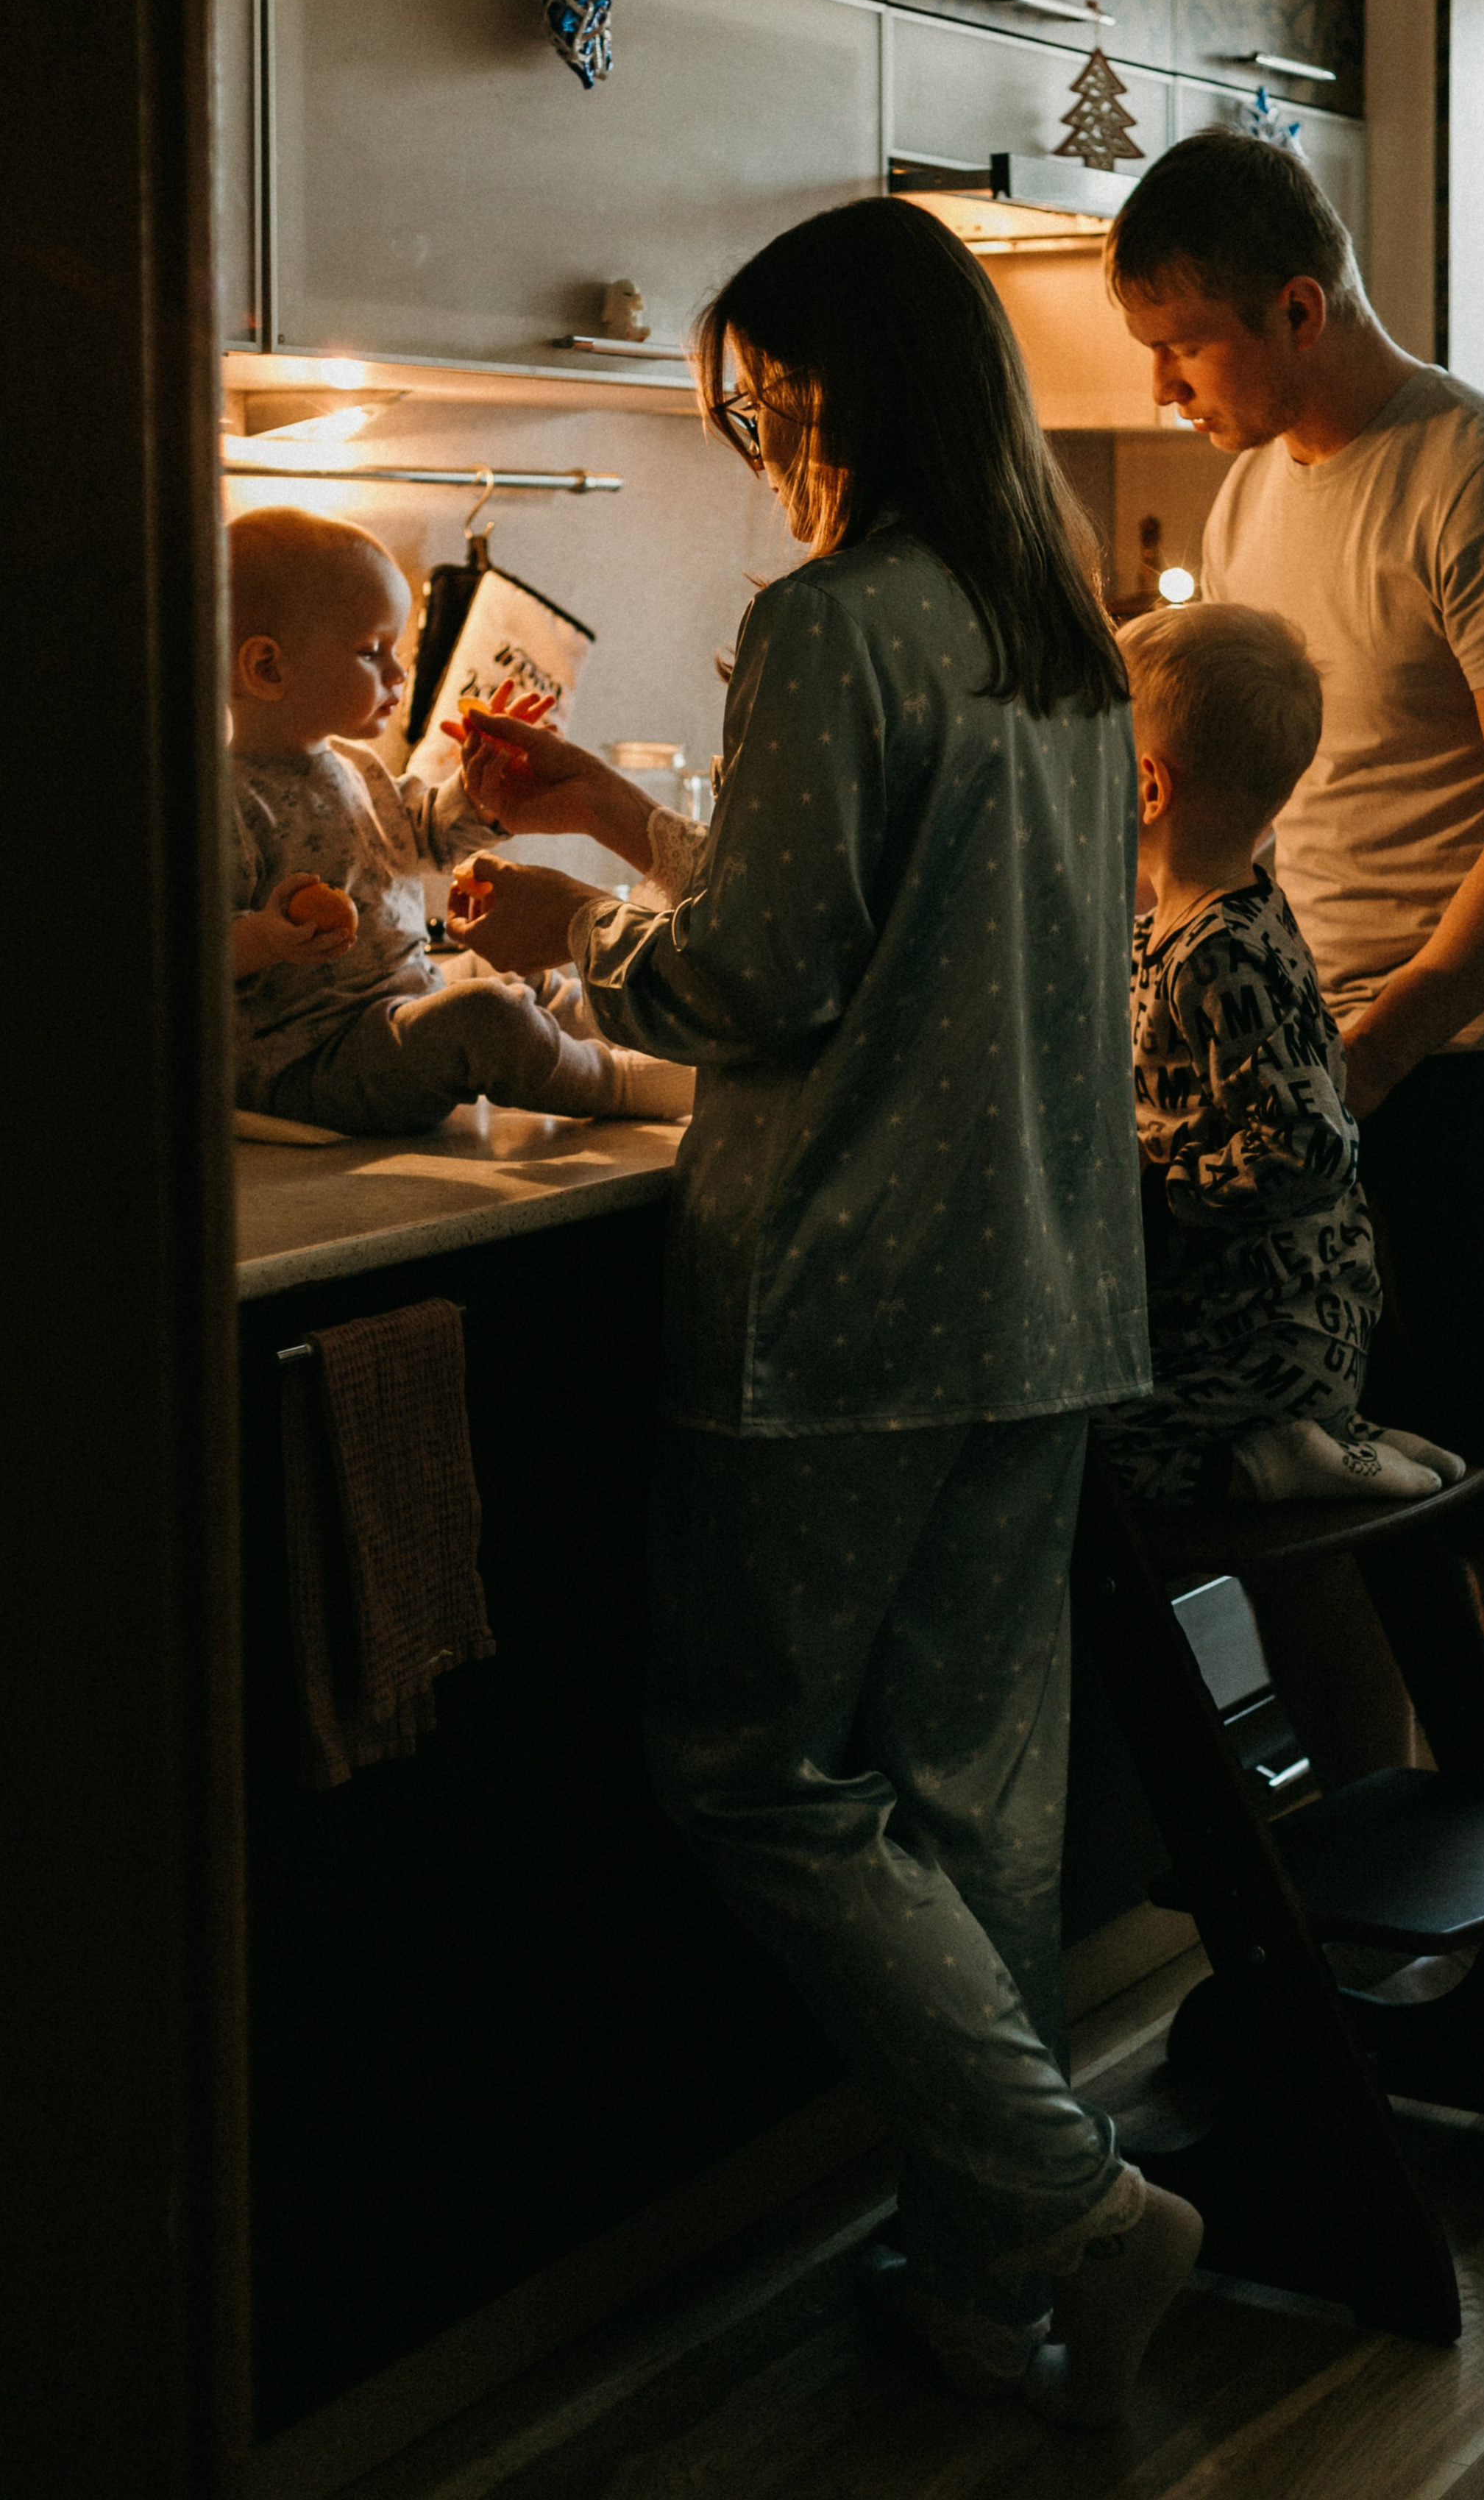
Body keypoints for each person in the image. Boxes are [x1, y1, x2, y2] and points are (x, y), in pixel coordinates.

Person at [441, 197, 1203, 2423]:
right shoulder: (1043, 628)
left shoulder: (827, 620)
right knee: (977, 1789)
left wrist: (576, 937)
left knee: (754, 1774)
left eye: (756, 397)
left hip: (843, 1299)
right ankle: (992, 2282)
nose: (751, 434)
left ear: (820, 395)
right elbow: (888, 917)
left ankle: (1065, 2197)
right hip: (1041, 1288)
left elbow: (768, 975)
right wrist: (614, 819)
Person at [1110, 130, 1484, 1794]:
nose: (1167, 385)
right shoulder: (1259, 479)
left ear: (1294, 303)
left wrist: (1385, 1040)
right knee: (1317, 1490)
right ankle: (1362, 1884)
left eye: (1183, 344)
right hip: (1313, 1066)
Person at [1099, 599, 1464, 1784]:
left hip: (1256, 1329)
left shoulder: (1216, 949)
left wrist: (1153, 1185)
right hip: (1275, 1319)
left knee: (1077, 1461)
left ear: (1147, 786)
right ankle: (1317, 1443)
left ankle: (1288, 1451)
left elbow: (1305, 1148)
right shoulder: (1206, 922)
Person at [225, 506, 691, 1133]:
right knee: (485, 1016)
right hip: (314, 1062)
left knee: (519, 976)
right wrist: (265, 936)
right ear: (268, 669)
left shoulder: (355, 765)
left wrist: (476, 797)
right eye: (371, 652)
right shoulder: (223, 800)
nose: (398, 672)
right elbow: (186, 954)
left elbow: (425, 834)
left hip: (399, 1000)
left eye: (397, 649)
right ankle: (617, 1083)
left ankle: (651, 1042)